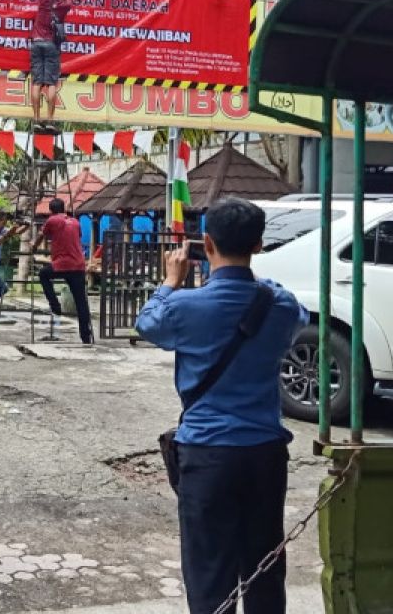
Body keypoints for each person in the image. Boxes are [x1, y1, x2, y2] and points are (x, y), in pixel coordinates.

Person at [135, 197, 308, 614]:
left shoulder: (182, 307)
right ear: (259, 246)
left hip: (207, 453)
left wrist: (170, 281)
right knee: (265, 568)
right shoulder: (279, 306)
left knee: (209, 572)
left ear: (206, 243)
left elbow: (147, 323)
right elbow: (299, 314)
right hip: (265, 453)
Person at [31, 198, 93, 345]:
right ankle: (86, 337)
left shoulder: (52, 220)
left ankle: (55, 305)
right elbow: (72, 238)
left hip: (62, 264)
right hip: (78, 265)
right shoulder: (75, 222)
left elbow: (40, 237)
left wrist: (33, 247)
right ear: (63, 209)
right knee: (81, 303)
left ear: (51, 211)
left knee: (43, 274)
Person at [28, 0, 73, 129]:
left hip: (37, 43)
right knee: (51, 83)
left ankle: (36, 119)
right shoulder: (65, 5)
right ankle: (50, 120)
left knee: (37, 83)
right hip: (52, 45)